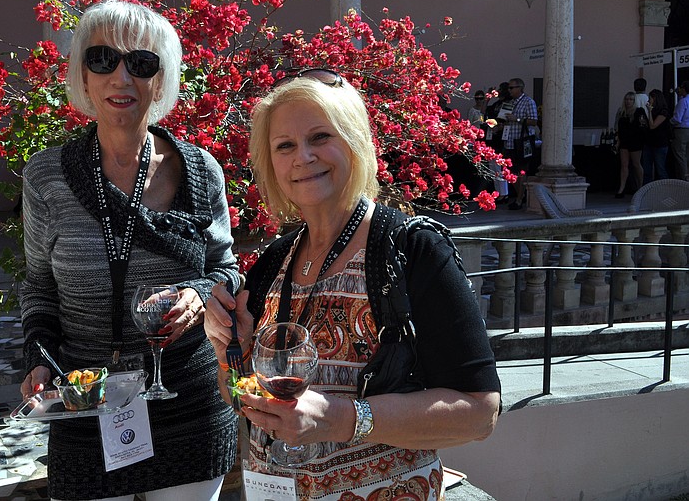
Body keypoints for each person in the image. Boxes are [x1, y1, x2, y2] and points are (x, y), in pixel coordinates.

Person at [204, 72, 501, 500]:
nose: (303, 157)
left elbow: (479, 413)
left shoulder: (410, 250)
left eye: (320, 137)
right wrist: (230, 354)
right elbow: (241, 400)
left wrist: (342, 417)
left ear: (355, 141)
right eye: (284, 145)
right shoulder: (273, 262)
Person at [19, 0, 241, 501]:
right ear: (83, 74)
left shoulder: (200, 171)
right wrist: (38, 355)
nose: (121, 77)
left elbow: (225, 269)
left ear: (161, 81)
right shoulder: (47, 177)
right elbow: (38, 286)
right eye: (103, 60)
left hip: (186, 399)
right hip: (85, 400)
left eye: (141, 63)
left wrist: (199, 294)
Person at [503, 78, 539, 210]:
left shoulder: (528, 102)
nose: (509, 90)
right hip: (509, 141)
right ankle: (521, 195)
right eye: (509, 88)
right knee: (510, 171)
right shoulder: (509, 103)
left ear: (520, 88)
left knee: (521, 171)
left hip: (522, 142)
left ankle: (519, 199)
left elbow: (534, 121)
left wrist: (517, 119)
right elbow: (506, 121)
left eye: (512, 88)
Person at [471, 89, 508, 203]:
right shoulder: (495, 105)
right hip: (491, 138)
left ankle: (504, 193)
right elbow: (483, 113)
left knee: (499, 167)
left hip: (501, 139)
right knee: (493, 168)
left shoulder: (508, 105)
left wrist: (499, 126)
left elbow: (505, 121)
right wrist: (487, 99)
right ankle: (498, 192)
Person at [614, 91, 644, 197]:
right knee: (624, 164)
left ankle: (640, 187)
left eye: (631, 99)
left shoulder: (639, 111)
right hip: (624, 141)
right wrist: (618, 141)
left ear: (634, 101)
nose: (628, 101)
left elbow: (642, 126)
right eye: (627, 99)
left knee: (636, 164)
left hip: (635, 141)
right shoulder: (621, 112)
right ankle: (621, 188)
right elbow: (618, 128)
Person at [641, 89, 671, 184]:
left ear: (655, 99)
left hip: (660, 143)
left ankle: (665, 188)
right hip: (649, 142)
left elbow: (653, 125)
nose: (648, 101)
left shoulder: (663, 112)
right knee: (647, 169)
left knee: (660, 169)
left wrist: (649, 112)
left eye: (650, 98)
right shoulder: (652, 111)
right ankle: (647, 188)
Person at [669, 80, 689, 181]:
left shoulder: (683, 101)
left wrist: (669, 121)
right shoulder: (685, 100)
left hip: (681, 130)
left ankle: (684, 178)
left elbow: (677, 119)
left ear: (684, 89)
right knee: (686, 155)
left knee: (680, 155)